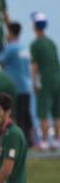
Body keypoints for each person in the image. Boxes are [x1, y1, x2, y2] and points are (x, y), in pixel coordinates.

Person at [0, 21, 34, 145]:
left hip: (16, 88)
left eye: (7, 33)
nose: (6, 35)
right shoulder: (24, 47)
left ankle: (18, 142)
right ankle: (31, 141)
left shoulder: (11, 48)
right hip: (27, 86)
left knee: (16, 116)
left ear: (11, 33)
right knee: (26, 116)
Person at [30, 12, 60, 151]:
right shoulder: (51, 43)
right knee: (57, 113)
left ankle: (43, 142)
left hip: (46, 81)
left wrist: (34, 83)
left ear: (34, 26)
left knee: (43, 113)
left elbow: (35, 66)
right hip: (57, 79)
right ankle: (56, 141)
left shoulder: (36, 44)